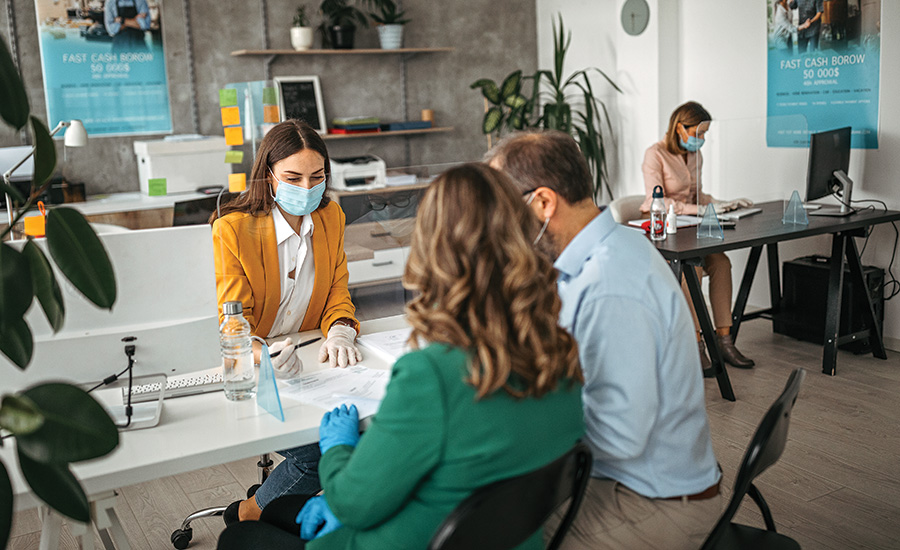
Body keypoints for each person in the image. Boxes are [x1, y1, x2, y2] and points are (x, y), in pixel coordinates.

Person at [216, 163, 585, 550]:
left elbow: (352, 503)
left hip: (411, 538)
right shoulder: (560, 351)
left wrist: (338, 448)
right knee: (282, 510)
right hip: (506, 537)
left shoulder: (431, 374)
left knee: (240, 538)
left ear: (433, 249)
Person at [487, 130, 723, 550]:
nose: (500, 226)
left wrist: (512, 426)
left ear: (543, 202)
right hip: (640, 480)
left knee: (492, 532)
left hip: (651, 501)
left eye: (503, 210)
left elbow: (619, 438)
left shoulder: (609, 285)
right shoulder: (613, 247)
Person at [211, 119, 362, 523]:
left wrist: (341, 329)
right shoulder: (233, 230)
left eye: (317, 177)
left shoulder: (331, 218)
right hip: (259, 371)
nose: (306, 187)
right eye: (293, 177)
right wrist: (263, 356)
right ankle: (247, 514)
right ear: (269, 176)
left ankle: (303, 514)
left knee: (365, 430)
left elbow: (337, 290)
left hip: (316, 364)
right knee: (315, 455)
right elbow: (234, 324)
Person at [641, 101, 755, 371]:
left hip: (691, 228)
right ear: (680, 127)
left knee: (721, 263)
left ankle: (725, 341)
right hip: (665, 231)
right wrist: (701, 209)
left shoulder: (695, 156)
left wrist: (722, 203)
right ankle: (696, 344)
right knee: (693, 272)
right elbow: (655, 200)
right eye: (699, 132)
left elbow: (697, 195)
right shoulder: (654, 154)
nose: (702, 139)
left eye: (705, 133)